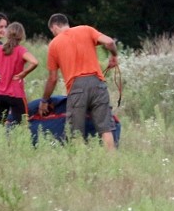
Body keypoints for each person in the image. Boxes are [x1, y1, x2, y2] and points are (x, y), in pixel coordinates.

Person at [37, 13, 119, 150]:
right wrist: (114, 56)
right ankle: (112, 163)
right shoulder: (86, 30)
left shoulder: (54, 44)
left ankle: (81, 166)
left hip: (76, 88)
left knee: (75, 133)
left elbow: (52, 79)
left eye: (52, 31)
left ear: (55, 27)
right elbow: (110, 42)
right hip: (98, 84)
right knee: (106, 129)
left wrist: (44, 100)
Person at [0, 22, 38, 126]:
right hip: (16, 94)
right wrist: (24, 73)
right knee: (22, 124)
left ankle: (0, 141)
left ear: (7, 34)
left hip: (0, 94)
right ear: (22, 36)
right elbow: (35, 62)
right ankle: (16, 141)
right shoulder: (20, 50)